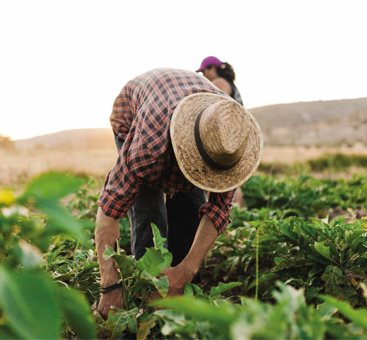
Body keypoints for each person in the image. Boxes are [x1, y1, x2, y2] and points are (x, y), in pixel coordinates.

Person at [95, 68, 263, 319]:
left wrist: (185, 271)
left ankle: (175, 293)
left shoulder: (229, 145)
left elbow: (217, 213)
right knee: (149, 214)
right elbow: (109, 211)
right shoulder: (147, 148)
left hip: (184, 115)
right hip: (132, 116)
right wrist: (110, 285)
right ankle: (145, 299)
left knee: (189, 215)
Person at [197, 56, 245, 206]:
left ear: (212, 68)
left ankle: (226, 211)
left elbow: (215, 107)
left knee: (220, 179)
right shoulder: (230, 84)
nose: (204, 75)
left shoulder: (219, 83)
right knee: (232, 178)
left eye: (204, 71)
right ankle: (237, 212)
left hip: (225, 134)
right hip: (236, 134)